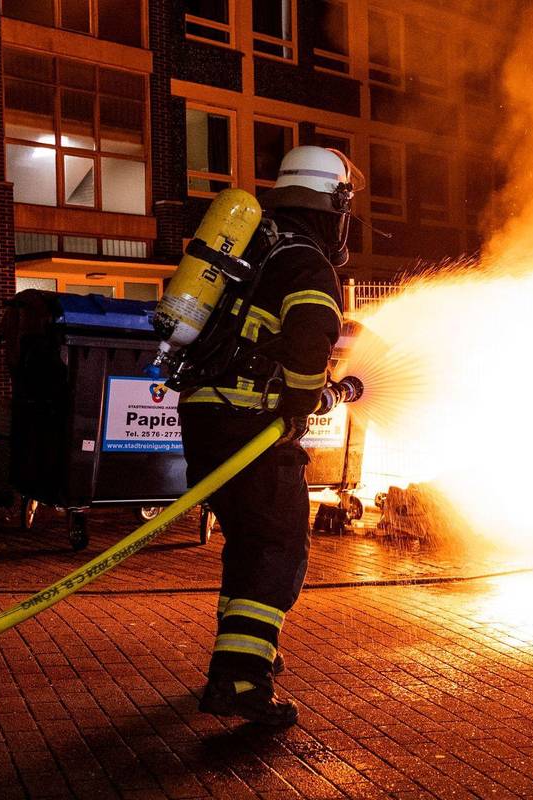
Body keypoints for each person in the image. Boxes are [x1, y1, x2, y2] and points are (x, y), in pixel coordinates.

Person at [178, 146, 359, 727]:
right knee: (281, 546)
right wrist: (305, 400)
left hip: (205, 418)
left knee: (250, 544)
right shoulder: (306, 261)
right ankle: (239, 680)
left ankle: (245, 655)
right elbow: (309, 342)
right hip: (249, 423)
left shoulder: (257, 246)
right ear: (332, 205)